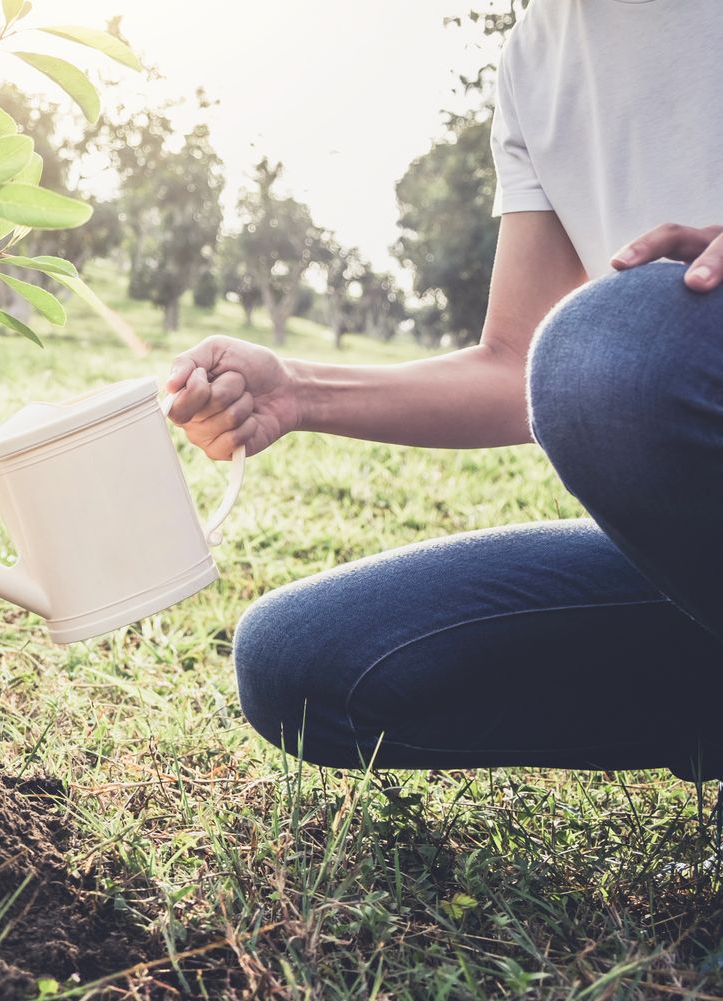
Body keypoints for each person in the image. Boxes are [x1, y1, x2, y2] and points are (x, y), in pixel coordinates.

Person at [164, 0, 723, 780]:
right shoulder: (539, 51)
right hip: (698, 552)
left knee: (624, 342)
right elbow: (522, 362)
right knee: (303, 659)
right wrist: (298, 392)